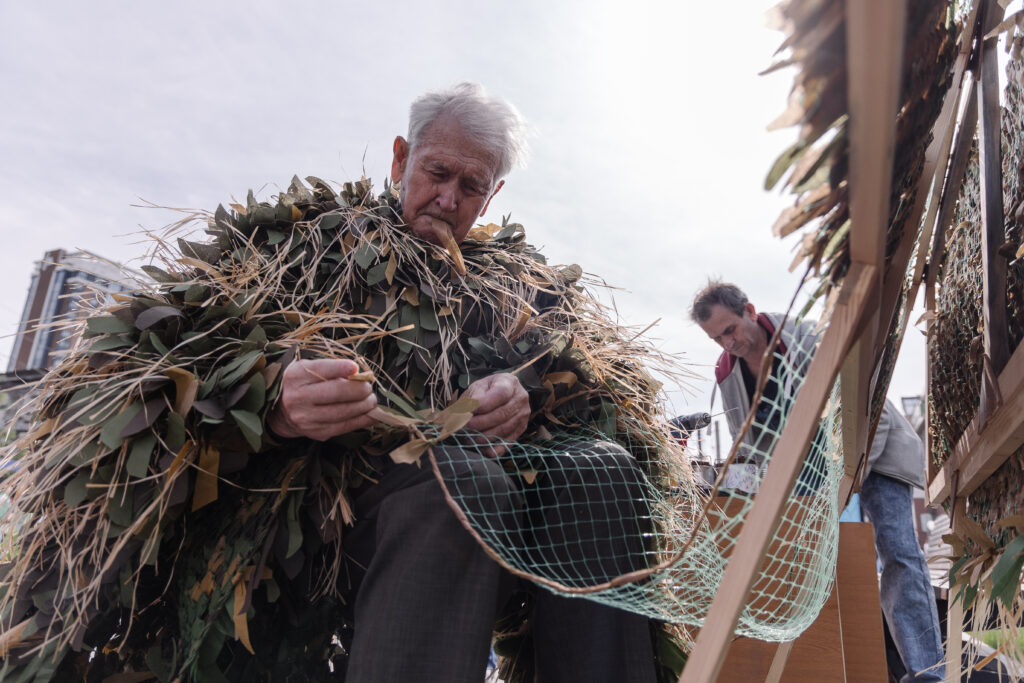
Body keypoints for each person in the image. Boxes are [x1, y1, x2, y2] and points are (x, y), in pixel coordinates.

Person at [268, 83, 658, 683]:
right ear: (401, 159)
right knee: (463, 482)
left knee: (601, 469)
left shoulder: (513, 283)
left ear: (493, 194)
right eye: (437, 172)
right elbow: (202, 359)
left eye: (471, 186)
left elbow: (578, 371)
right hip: (333, 511)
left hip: (505, 519)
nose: (448, 198)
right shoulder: (315, 244)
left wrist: (529, 392)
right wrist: (277, 399)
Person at [690, 279, 945, 683]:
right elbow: (755, 450)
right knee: (811, 564)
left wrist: (850, 477)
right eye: (715, 338)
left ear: (750, 312)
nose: (727, 342)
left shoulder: (811, 339)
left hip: (874, 451)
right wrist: (724, 480)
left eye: (730, 329)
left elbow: (867, 410)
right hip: (810, 473)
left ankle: (928, 672)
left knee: (898, 550)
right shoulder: (728, 374)